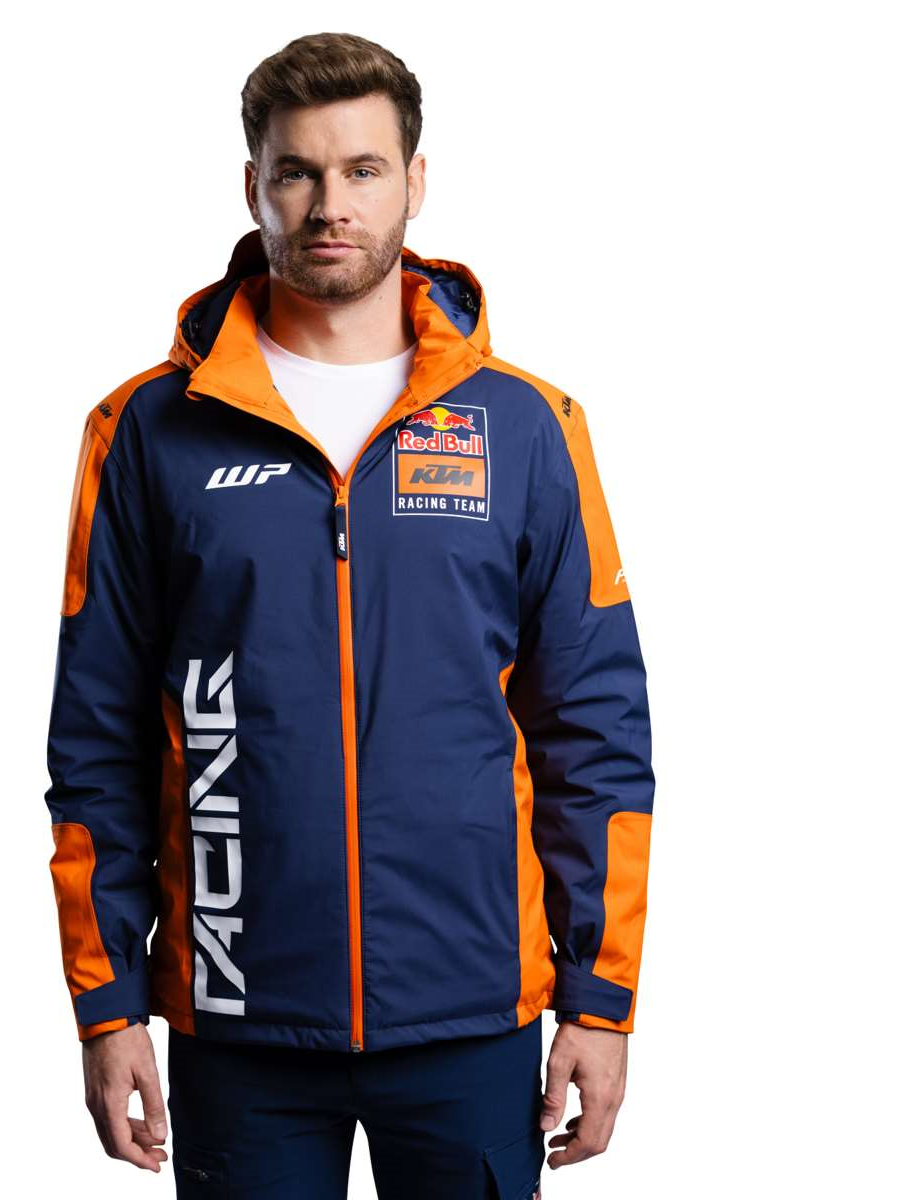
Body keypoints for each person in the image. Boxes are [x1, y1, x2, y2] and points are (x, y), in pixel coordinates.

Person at [43, 31, 655, 1200]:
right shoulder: (146, 433)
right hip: (239, 1016)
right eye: (299, 171)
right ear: (253, 186)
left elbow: (596, 734)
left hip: (471, 1012)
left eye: (364, 169)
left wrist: (601, 996)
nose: (332, 204)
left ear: (415, 180)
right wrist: (107, 1005)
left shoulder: (528, 429)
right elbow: (96, 740)